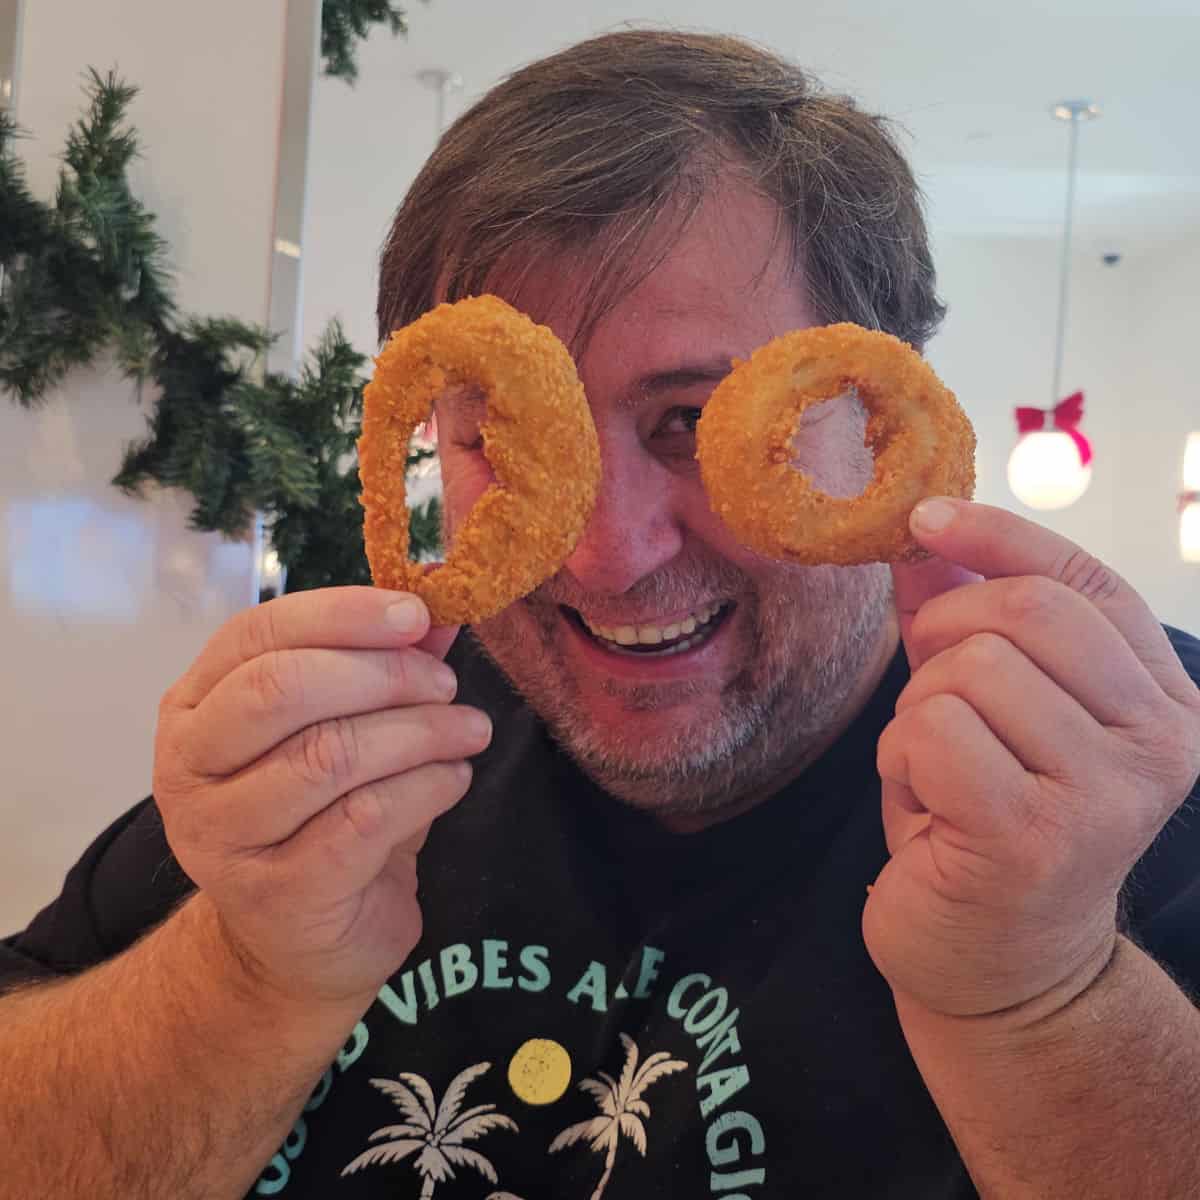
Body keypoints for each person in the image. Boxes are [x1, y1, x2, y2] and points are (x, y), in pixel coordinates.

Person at [3, 29, 1199, 1200]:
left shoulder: (1128, 773)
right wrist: (245, 972)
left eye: (691, 419)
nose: (601, 552)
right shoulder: (337, 758)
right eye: (500, 435)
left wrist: (1044, 1001)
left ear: (878, 420)